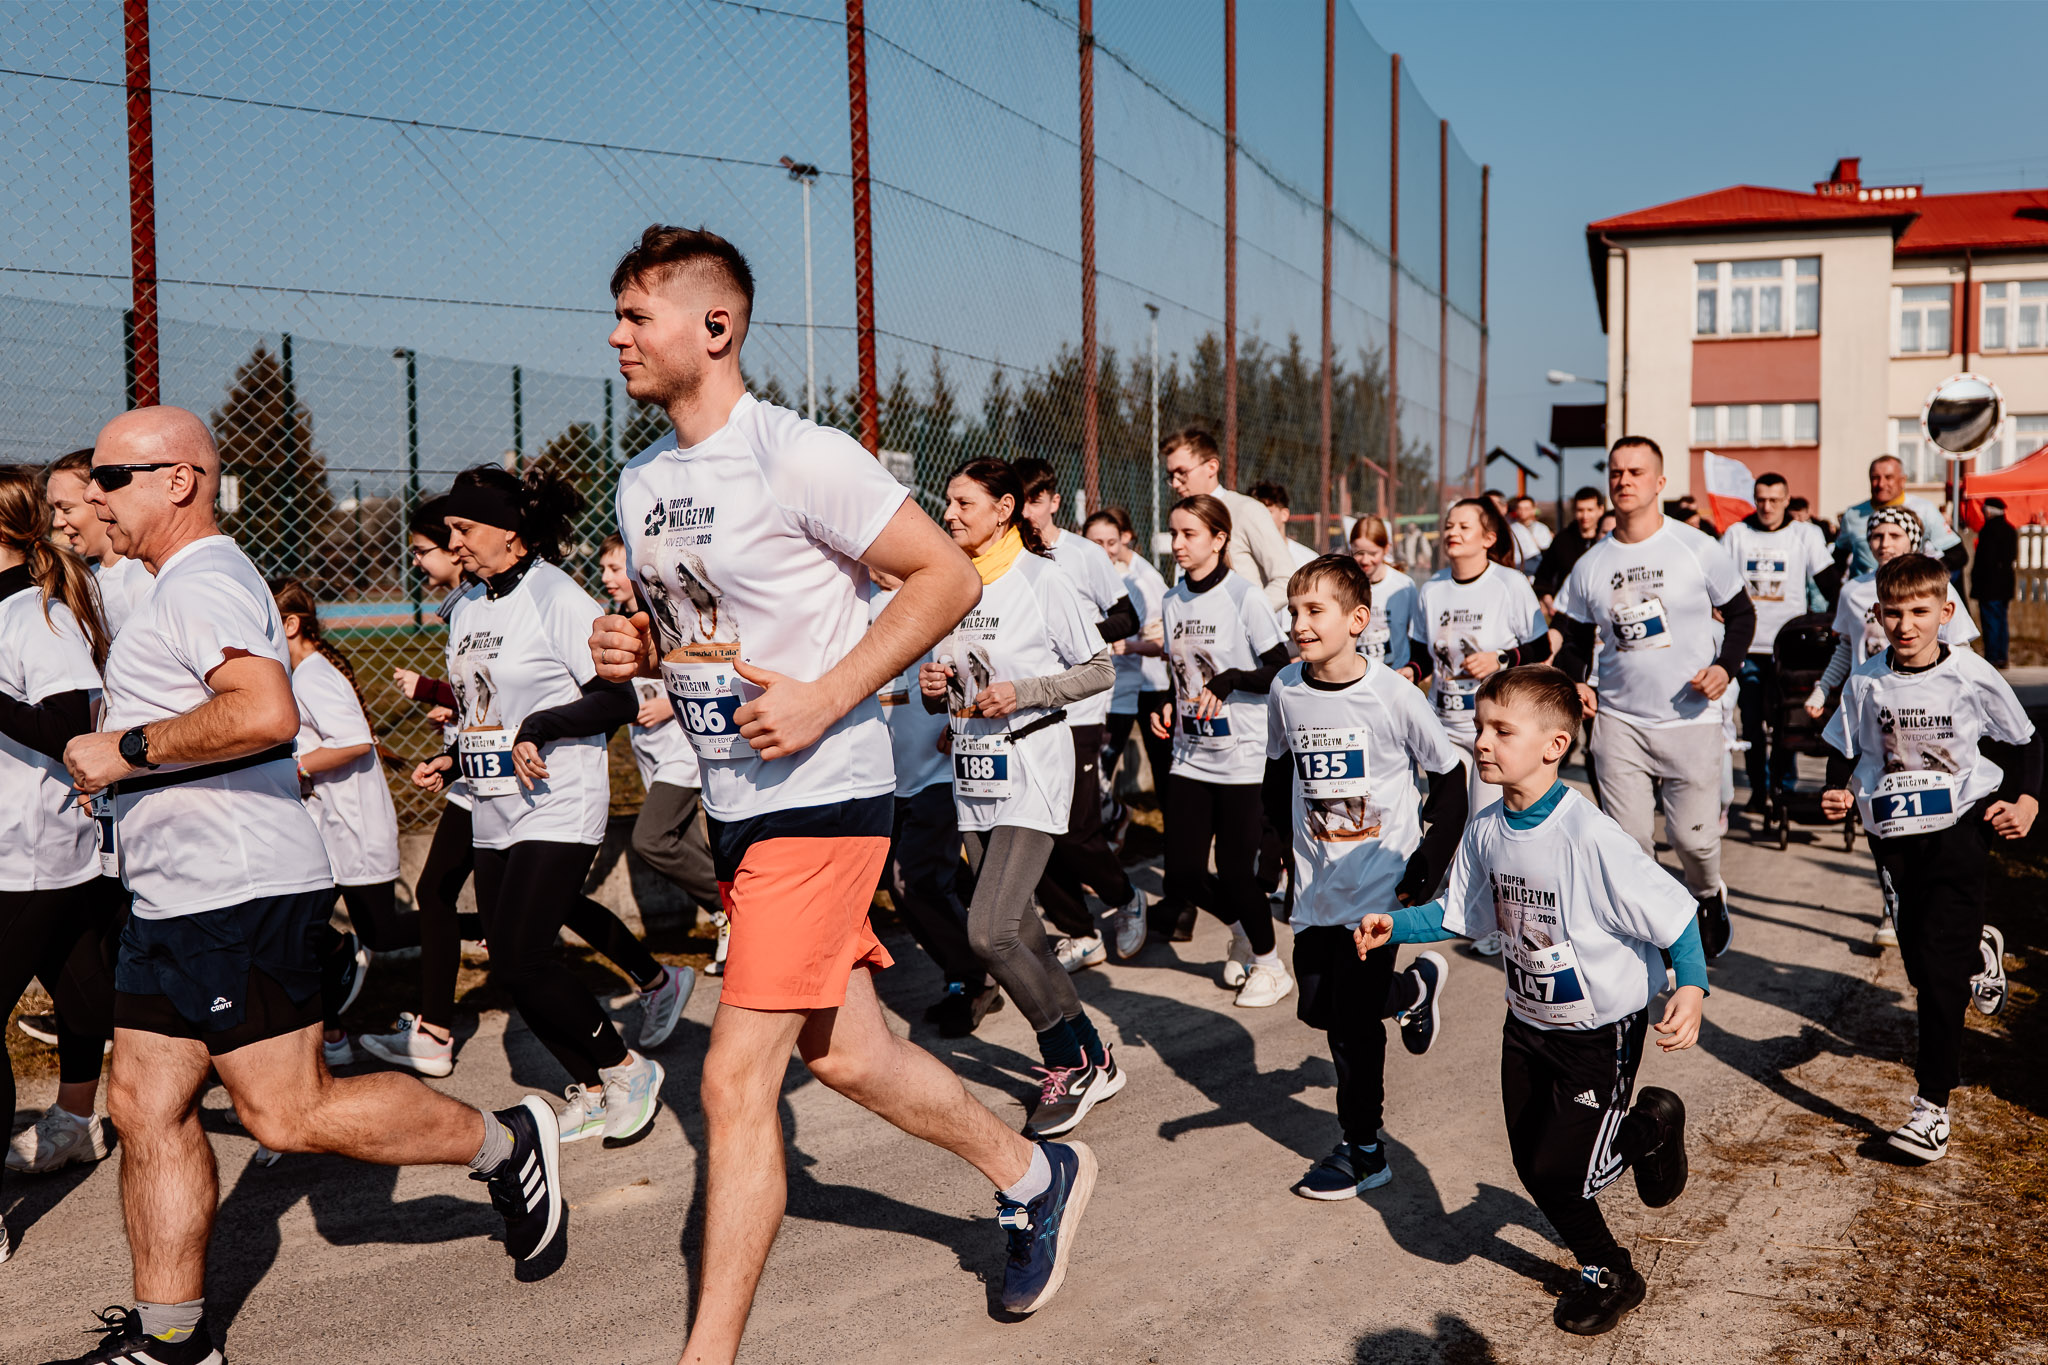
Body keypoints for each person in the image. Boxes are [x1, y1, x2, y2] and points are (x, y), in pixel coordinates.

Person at [595, 225, 1095, 1349]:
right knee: (851, 1056)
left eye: (636, 316)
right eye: (617, 316)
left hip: (821, 800)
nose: (616, 336)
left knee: (732, 1083)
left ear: (715, 327)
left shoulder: (798, 455)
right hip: (737, 806)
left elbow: (946, 576)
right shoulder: (641, 484)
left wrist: (827, 696)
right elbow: (701, 631)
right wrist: (633, 649)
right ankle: (1033, 1175)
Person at [54, 407, 565, 1362]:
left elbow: (264, 712)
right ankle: (173, 1340)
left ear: (179, 480)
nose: (95, 494)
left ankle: (507, 1141)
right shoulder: (169, 585)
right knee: (143, 1103)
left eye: (112, 477)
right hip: (170, 895)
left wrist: (125, 751)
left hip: (236, 890)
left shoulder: (204, 580)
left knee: (285, 1113)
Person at [1356, 665, 1705, 1338]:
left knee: (1563, 1171)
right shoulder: (1487, 829)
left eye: (1502, 730)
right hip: (1526, 1023)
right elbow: (1461, 913)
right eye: (1479, 727)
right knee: (1531, 1162)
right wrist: (1393, 926)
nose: (1482, 742)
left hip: (1598, 1032)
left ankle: (1645, 1148)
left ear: (1554, 745)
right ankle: (1607, 1258)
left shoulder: (1589, 836)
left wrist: (1689, 985)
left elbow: (1675, 912)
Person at [413, 463, 681, 1146]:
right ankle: (590, 1088)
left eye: (463, 528)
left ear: (510, 532)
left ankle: (627, 1069)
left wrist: (541, 727)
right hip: (493, 806)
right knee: (510, 964)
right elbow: (487, 708)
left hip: (558, 801)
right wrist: (456, 756)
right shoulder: (467, 607)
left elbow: (616, 698)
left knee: (525, 956)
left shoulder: (556, 595)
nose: (454, 542)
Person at [921, 458, 1125, 1133]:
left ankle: (1067, 1063)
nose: (949, 513)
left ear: (1004, 508)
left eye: (964, 503)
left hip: (1033, 767)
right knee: (1026, 934)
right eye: (948, 502)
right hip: (975, 775)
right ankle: (1096, 1053)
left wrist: (1026, 692)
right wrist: (937, 690)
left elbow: (1100, 668)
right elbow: (961, 682)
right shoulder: (952, 582)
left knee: (990, 932)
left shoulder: (1043, 579)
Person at [1820, 553, 2039, 1162]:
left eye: (1920, 611)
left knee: (1937, 982)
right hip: (1893, 834)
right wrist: (1837, 790)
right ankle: (1977, 948)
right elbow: (1845, 748)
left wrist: (2027, 802)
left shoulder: (1970, 673)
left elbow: (2024, 741)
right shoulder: (1866, 681)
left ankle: (1931, 1110)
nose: (1906, 625)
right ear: (1877, 614)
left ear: (1946, 612)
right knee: (1921, 965)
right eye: (1894, 613)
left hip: (1959, 827)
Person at [1265, 553, 1467, 1198]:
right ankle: (1411, 992)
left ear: (1357, 620)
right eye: (1293, 611)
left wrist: (1426, 866)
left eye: (1314, 611)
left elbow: (1451, 781)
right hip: (1315, 883)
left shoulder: (1393, 695)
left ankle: (1364, 1149)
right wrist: (1275, 850)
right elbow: (1278, 771)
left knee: (1352, 1025)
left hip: (1381, 881)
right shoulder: (1285, 688)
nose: (1299, 624)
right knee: (1317, 1007)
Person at [1550, 436, 1754, 961]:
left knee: (1693, 840)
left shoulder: (1697, 547)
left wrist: (1724, 668)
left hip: (1691, 718)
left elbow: (1741, 615)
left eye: (1636, 472)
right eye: (1616, 472)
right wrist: (1576, 682)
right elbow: (1573, 639)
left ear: (1659, 482)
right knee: (1630, 842)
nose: (1624, 480)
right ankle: (1660, 928)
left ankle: (1706, 894)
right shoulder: (1592, 564)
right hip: (1620, 721)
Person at [0, 465, 115, 1250]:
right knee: (87, 989)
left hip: (32, 851)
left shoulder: (38, 615)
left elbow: (68, 726)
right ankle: (83, 1119)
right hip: (24, 851)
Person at [1808, 508, 1980, 949]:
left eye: (1893, 535)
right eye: (1876, 535)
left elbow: (1959, 654)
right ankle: (1894, 905)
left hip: (1930, 721)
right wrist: (1823, 689)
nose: (1884, 543)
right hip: (1875, 716)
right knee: (1885, 814)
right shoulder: (1853, 592)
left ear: (1913, 540)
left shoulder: (1936, 585)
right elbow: (1846, 651)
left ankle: (1958, 927)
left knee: (1939, 828)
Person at [358, 497, 487, 1075]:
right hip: (471, 768)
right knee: (437, 892)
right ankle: (434, 1030)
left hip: (501, 773)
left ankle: (651, 981)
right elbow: (480, 691)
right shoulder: (463, 606)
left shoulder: (480, 604)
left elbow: (499, 688)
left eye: (422, 550)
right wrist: (451, 721)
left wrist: (434, 694)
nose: (417, 562)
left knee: (455, 897)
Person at [1150, 494, 1294, 1005]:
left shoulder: (1244, 597)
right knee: (1183, 874)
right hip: (1190, 755)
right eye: (1174, 533)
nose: (1178, 544)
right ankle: (1241, 931)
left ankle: (1270, 966)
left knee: (1235, 872)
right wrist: (1169, 704)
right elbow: (1182, 672)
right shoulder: (1171, 601)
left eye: (1189, 534)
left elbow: (1280, 670)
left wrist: (1232, 679)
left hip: (1243, 758)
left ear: (1219, 539)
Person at [271, 578, 411, 1073]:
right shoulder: (302, 674)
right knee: (298, 927)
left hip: (354, 827)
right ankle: (331, 1037)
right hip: (327, 831)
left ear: (291, 625)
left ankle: (483, 927)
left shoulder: (313, 675)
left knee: (382, 931)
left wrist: (296, 768)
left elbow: (354, 741)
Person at [1011, 457, 1147, 965]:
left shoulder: (1084, 554)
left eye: (1034, 500)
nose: (1026, 511)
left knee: (1076, 830)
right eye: (1018, 501)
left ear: (1053, 501)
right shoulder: (1008, 556)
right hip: (1025, 712)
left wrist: (1077, 637)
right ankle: (1080, 931)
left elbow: (1127, 617)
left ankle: (1126, 898)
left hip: (1081, 710)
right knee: (1033, 828)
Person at [869, 567, 999, 1036]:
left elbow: (982, 660)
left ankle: (975, 978)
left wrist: (964, 719)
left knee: (913, 880)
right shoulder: (857, 599)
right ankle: (989, 951)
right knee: (922, 878)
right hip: (886, 777)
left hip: (940, 770)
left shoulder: (938, 594)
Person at [1404, 498, 1550, 892]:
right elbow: (1422, 655)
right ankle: (1445, 895)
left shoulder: (1509, 584)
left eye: (1463, 527)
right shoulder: (1432, 588)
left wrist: (1500, 659)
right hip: (1444, 724)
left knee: (1486, 821)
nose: (1452, 532)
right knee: (1447, 815)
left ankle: (1487, 901)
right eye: (1449, 525)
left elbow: (1540, 647)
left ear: (1488, 538)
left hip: (1494, 728)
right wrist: (1410, 671)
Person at [599, 534, 723, 935]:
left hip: (683, 749)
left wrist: (670, 705)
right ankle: (730, 922)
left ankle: (733, 908)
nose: (607, 577)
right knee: (686, 842)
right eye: (603, 569)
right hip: (650, 751)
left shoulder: (668, 611)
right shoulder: (615, 626)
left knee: (651, 839)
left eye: (615, 568)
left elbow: (704, 662)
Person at [1719, 472, 1833, 809]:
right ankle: (1759, 789)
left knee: (1787, 720)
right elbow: (1714, 582)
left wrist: (1844, 620)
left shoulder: (1805, 534)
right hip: (1748, 646)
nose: (1767, 507)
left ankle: (1783, 788)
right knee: (1752, 722)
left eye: (1774, 500)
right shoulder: (1737, 535)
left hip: (1790, 649)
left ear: (1786, 500)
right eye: (1761, 500)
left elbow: (1829, 582)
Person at [1084, 508, 1172, 829]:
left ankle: (1170, 836)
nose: (1106, 550)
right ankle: (1111, 825)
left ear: (1125, 538)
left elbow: (1163, 642)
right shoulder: (1071, 576)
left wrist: (1130, 646)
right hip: (1093, 692)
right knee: (1092, 778)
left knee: (1160, 766)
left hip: (1143, 688)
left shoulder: (1140, 580)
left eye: (1112, 542)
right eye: (1097, 542)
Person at [1160, 426, 1296, 610]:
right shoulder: (1180, 517)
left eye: (1182, 473)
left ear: (1212, 467)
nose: (1175, 483)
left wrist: (1246, 616)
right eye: (1171, 476)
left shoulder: (1245, 510)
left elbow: (1286, 577)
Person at [45, 447, 152, 637]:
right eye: (54, 510)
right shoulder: (86, 580)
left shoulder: (142, 577)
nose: (57, 522)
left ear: (99, 499)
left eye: (66, 509)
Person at [1836, 454, 1966, 579]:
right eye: (1875, 478)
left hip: (1906, 589)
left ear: (1902, 480)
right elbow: (1838, 559)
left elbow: (1957, 555)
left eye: (1888, 477)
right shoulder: (1853, 514)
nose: (1881, 484)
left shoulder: (1924, 509)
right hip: (1865, 590)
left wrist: (1922, 575)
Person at [1346, 515, 1416, 673]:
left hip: (1395, 674)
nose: (1365, 560)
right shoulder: (1344, 585)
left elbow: (1416, 635)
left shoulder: (1404, 586)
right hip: (1357, 675)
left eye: (1373, 553)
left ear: (1386, 548)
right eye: (1359, 552)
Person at [1533, 486, 1606, 607]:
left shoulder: (1607, 540)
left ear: (1600, 510)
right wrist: (1550, 604)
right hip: (1567, 610)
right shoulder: (1562, 540)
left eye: (1590, 510)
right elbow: (1543, 577)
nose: (1585, 516)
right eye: (1580, 510)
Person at [1971, 497, 2018, 670]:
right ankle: (2001, 656)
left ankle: (1992, 656)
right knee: (2001, 620)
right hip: (2004, 585)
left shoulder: (1989, 531)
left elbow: (1985, 560)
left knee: (1991, 621)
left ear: (1989, 512)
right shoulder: (2010, 529)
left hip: (1989, 586)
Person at [1508, 495, 1553, 574]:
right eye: (1520, 508)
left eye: (1526, 508)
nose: (1523, 511)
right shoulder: (1511, 529)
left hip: (1540, 570)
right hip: (1518, 569)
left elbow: (1547, 549)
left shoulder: (1542, 528)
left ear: (1533, 510)